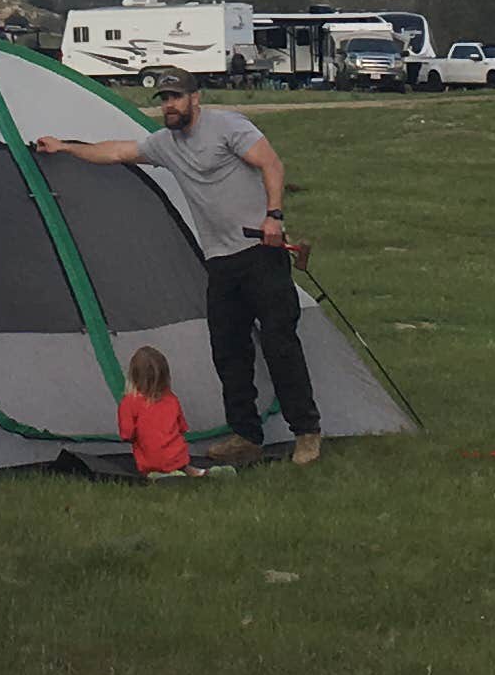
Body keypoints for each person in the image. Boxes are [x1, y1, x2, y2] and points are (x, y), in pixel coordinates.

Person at [34, 71, 322, 465]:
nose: (169, 105)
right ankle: (246, 435)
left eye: (176, 97)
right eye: (164, 98)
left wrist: (274, 216)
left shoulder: (227, 126)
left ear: (195, 98)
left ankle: (306, 432)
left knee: (280, 344)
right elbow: (117, 152)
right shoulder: (165, 145)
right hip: (220, 262)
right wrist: (65, 147)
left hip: (260, 252)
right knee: (228, 351)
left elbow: (271, 164)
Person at [118, 345, 193, 478]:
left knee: (154, 466)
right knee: (179, 460)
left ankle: (161, 475)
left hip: (150, 460)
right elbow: (182, 427)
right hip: (179, 457)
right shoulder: (171, 398)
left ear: (133, 376)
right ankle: (196, 472)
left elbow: (127, 434)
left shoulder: (129, 403)